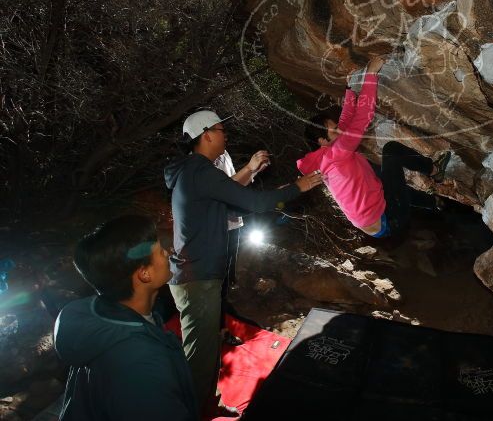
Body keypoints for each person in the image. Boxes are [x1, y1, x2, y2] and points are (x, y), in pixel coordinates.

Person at [165, 110, 323, 418]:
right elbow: (253, 203)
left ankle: (207, 403)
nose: (225, 135)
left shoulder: (195, 172)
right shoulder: (199, 171)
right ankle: (189, 412)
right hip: (195, 278)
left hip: (197, 274)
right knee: (198, 357)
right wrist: (297, 188)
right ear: (206, 134)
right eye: (221, 129)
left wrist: (255, 176)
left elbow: (237, 198)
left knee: (208, 350)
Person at [54, 215, 198, 421]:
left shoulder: (105, 320)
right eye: (159, 251)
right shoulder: (140, 365)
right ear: (144, 274)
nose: (167, 253)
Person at [297, 56, 451, 238]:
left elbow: (346, 122)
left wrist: (349, 91)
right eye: (333, 130)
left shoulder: (322, 160)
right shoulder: (335, 153)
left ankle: (435, 203)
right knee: (391, 152)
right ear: (322, 141)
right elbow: (363, 116)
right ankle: (434, 170)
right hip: (389, 219)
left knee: (388, 180)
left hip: (377, 221)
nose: (339, 130)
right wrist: (371, 74)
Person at [213, 149, 269, 346]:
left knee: (227, 278)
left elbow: (235, 186)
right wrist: (249, 168)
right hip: (217, 226)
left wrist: (253, 172)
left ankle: (223, 314)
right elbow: (223, 191)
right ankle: (219, 330)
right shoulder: (203, 161)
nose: (225, 136)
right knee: (217, 281)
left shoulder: (224, 154)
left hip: (233, 224)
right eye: (220, 130)